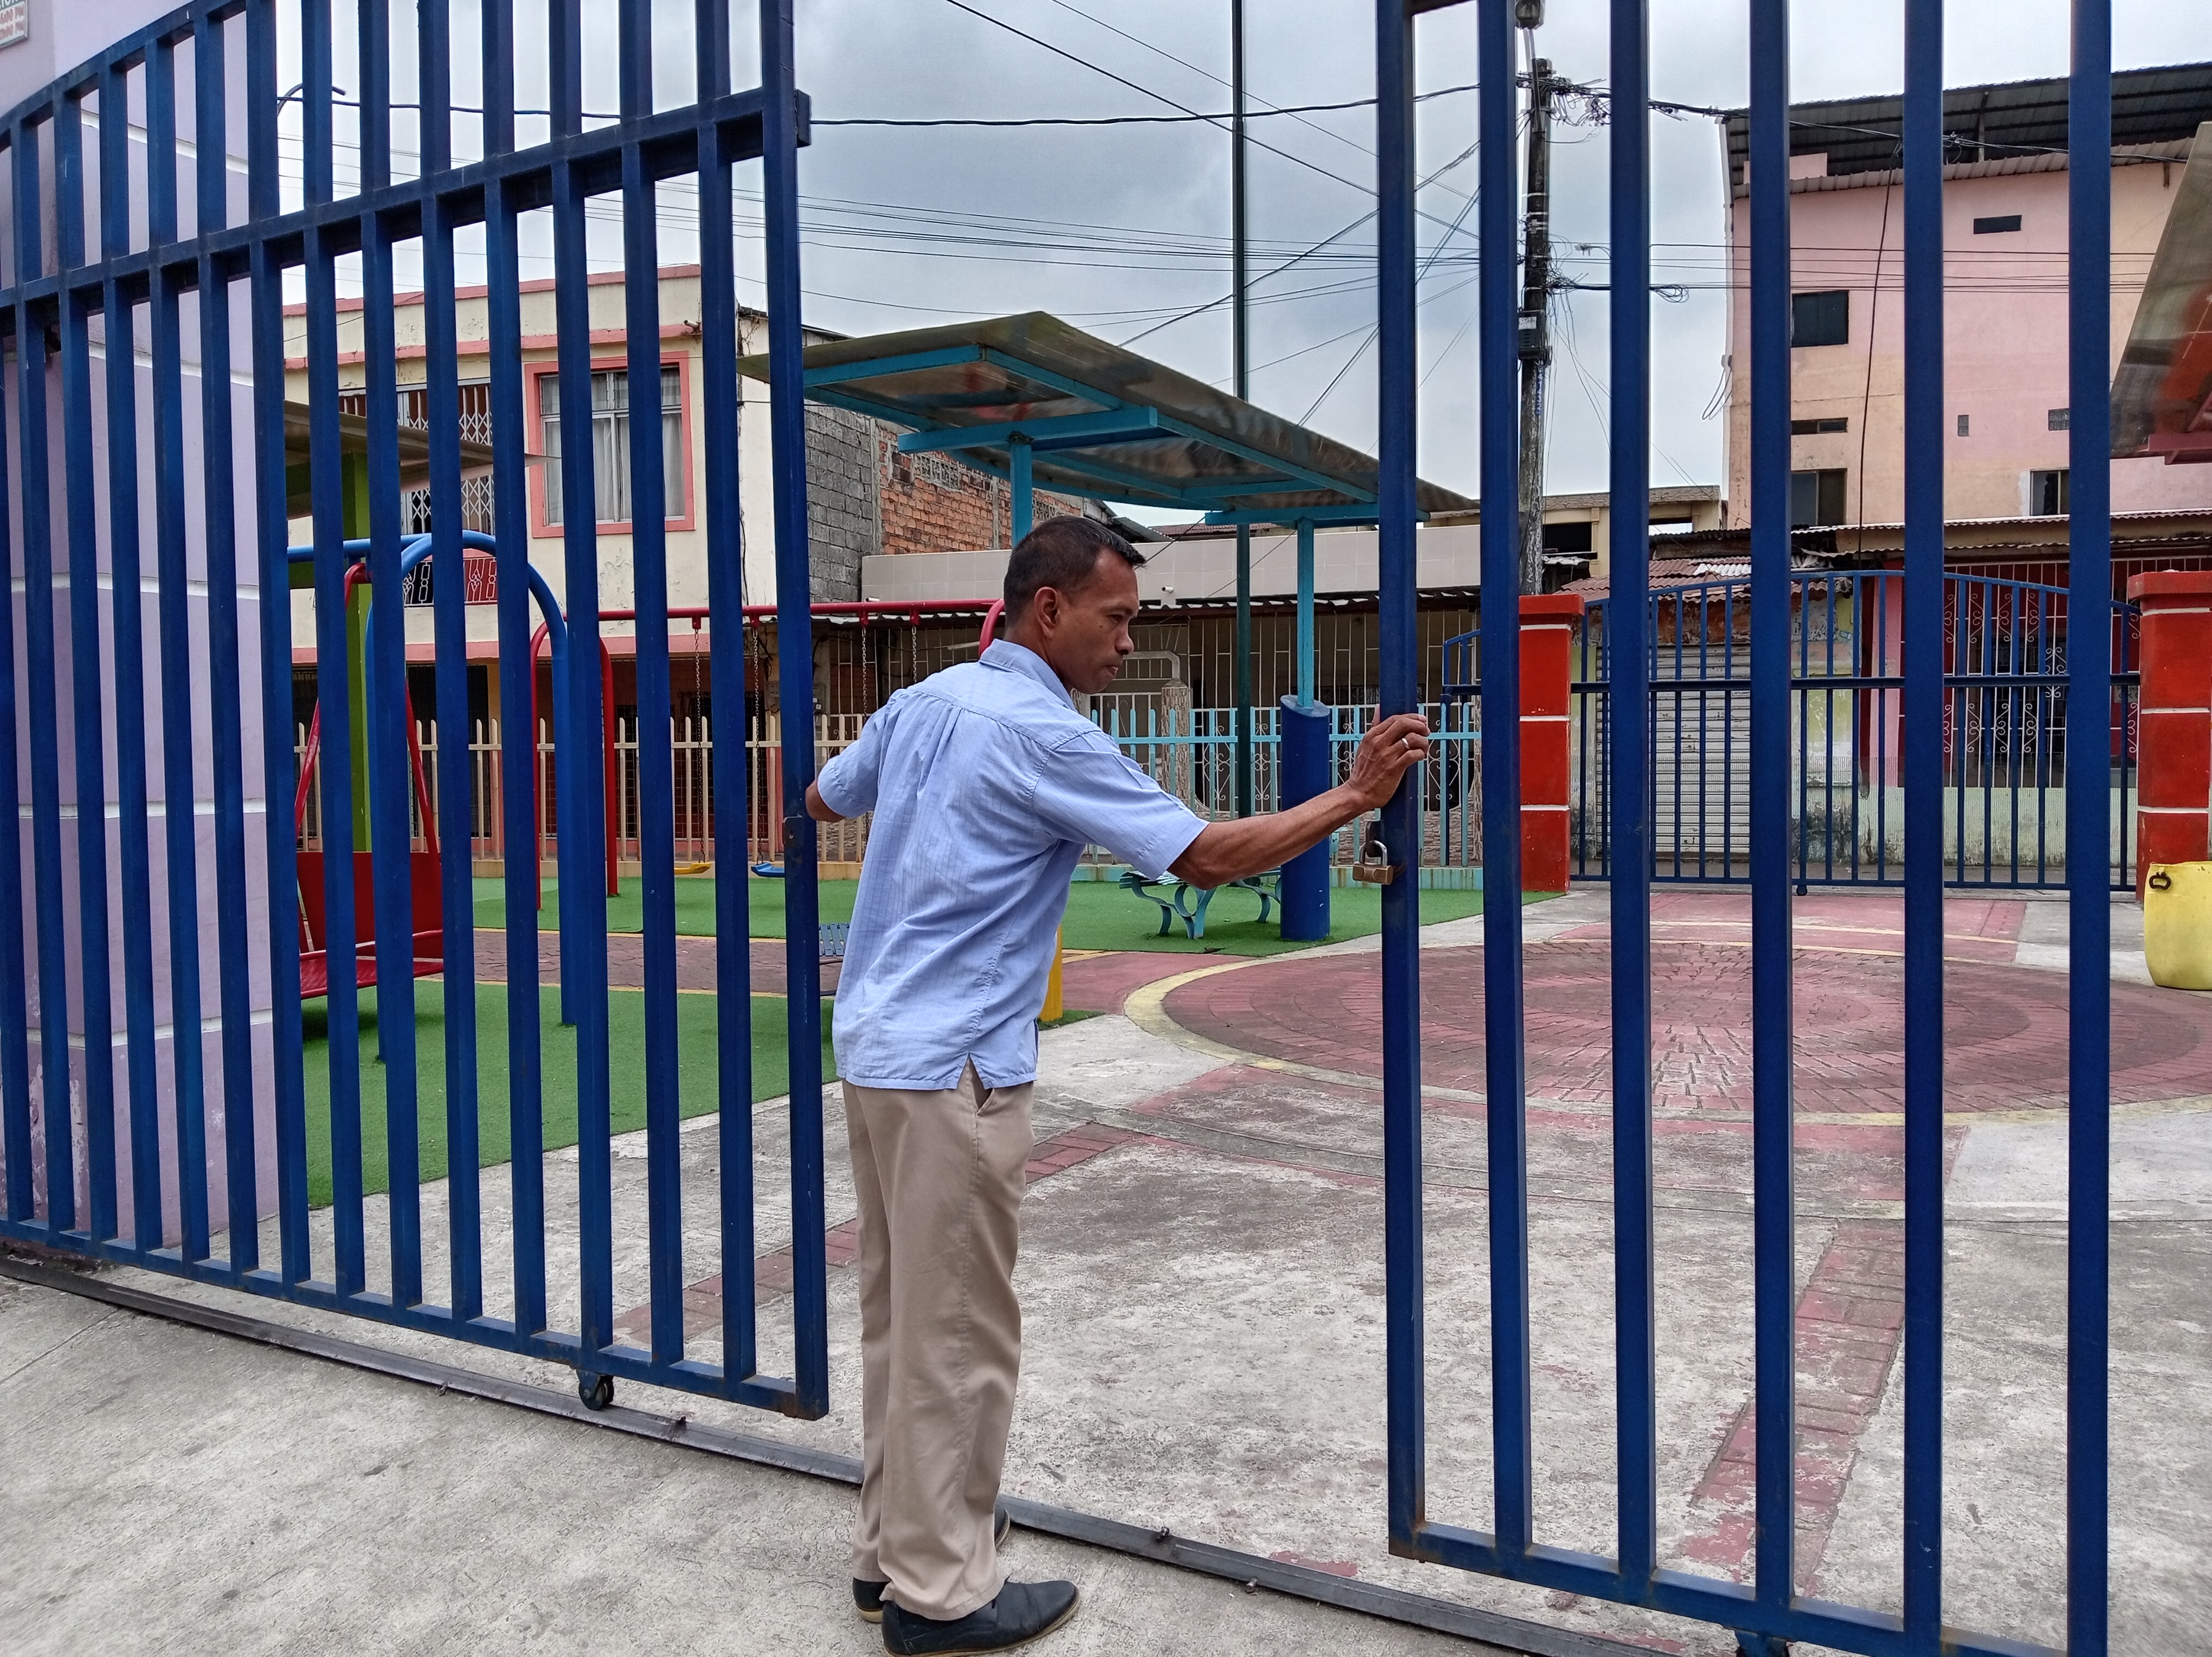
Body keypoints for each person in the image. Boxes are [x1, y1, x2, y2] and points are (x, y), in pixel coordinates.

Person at [806, 515, 1432, 1655]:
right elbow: (1205, 854)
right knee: (961, 1331)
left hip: (877, 1053)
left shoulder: (924, 702)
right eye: (1118, 618)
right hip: (954, 1068)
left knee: (903, 1320)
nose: (1128, 642)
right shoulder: (1045, 733)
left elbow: (821, 799)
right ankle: (940, 1594)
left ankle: (889, 1553)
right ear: (1048, 610)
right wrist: (1353, 796)